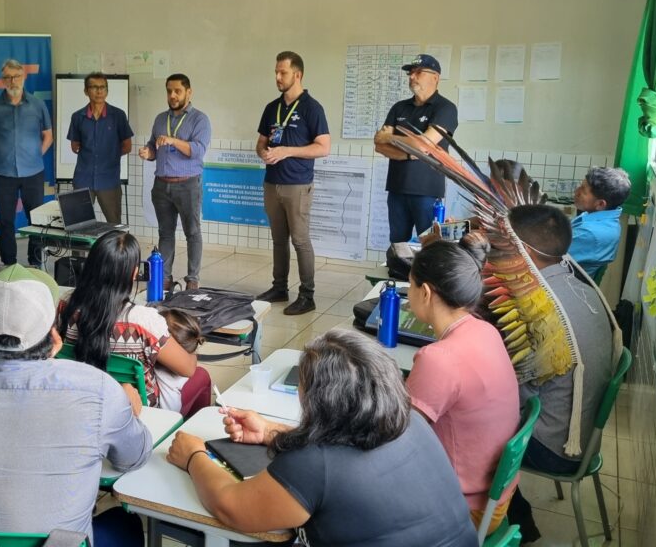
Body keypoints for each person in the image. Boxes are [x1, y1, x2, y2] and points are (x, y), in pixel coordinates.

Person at [165, 329, 476, 546]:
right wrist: (271, 432)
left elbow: (230, 506)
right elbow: (346, 445)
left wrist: (194, 456)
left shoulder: (313, 465)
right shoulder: (410, 422)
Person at [0, 264, 149, 544]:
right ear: (54, 335)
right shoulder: (98, 388)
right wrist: (128, 411)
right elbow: (134, 457)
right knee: (125, 523)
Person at [502, 205, 616, 543]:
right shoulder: (575, 281)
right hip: (580, 435)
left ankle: (514, 525)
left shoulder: (541, 310)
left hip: (557, 448)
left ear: (520, 249)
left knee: (466, 428)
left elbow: (514, 397)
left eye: (503, 245)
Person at [405, 238, 520, 534]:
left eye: (410, 285)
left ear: (426, 292)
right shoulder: (485, 330)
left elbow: (395, 435)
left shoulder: (439, 359)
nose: (408, 293)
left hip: (463, 509)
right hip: (494, 497)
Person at [58, 231, 208, 414]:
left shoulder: (65, 306)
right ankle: (182, 435)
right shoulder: (143, 321)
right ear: (135, 273)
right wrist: (192, 353)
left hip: (83, 399)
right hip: (139, 408)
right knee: (201, 376)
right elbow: (187, 369)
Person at [254, 51, 331, 315]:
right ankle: (279, 288)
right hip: (271, 182)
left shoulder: (312, 108)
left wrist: (287, 150)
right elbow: (261, 143)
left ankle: (307, 295)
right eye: (276, 72)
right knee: (278, 240)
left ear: (297, 74)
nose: (277, 77)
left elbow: (323, 148)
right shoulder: (271, 107)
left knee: (300, 240)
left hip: (297, 184)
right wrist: (264, 152)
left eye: (282, 72)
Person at [373, 54, 459, 243]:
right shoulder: (399, 108)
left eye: (418, 72)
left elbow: (425, 144)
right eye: (411, 73)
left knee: (429, 245)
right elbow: (380, 145)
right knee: (397, 244)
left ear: (435, 77)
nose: (412, 77)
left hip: (426, 192)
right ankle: (397, 274)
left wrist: (390, 137)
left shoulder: (445, 108)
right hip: (397, 189)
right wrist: (409, 154)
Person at [138, 73, 210, 291]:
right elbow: (153, 146)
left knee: (192, 232)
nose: (172, 95)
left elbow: (197, 151)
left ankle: (192, 280)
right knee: (165, 233)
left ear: (189, 92)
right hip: (161, 185)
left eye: (177, 91)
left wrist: (173, 140)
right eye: (169, 91)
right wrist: (148, 152)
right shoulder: (161, 119)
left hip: (187, 184)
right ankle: (165, 278)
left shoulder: (200, 119)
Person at [0, 59, 53, 267]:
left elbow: (48, 136)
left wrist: (34, 155)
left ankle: (35, 263)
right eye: (7, 77)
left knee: (36, 221)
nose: (12, 81)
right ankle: (9, 264)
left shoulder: (37, 105)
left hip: (33, 172)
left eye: (16, 76)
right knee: (5, 221)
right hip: (4, 173)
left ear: (23, 77)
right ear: (2, 80)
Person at [68, 72, 134, 224]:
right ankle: (80, 249)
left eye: (102, 87)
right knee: (78, 224)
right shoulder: (77, 117)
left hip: (109, 179)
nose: (99, 91)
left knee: (114, 224)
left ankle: (113, 249)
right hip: (83, 179)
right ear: (86, 91)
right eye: (94, 87)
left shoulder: (118, 115)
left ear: (107, 90)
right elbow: (74, 146)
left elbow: (127, 146)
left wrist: (109, 155)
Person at [568, 166, 631, 280]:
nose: (576, 191)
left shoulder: (591, 233)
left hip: (561, 285)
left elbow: (545, 255)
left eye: (583, 190)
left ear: (601, 204)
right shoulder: (599, 217)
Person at [156, 309, 204, 416]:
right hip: (172, 417)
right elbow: (190, 369)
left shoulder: (152, 356)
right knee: (203, 374)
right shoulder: (181, 371)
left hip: (150, 410)